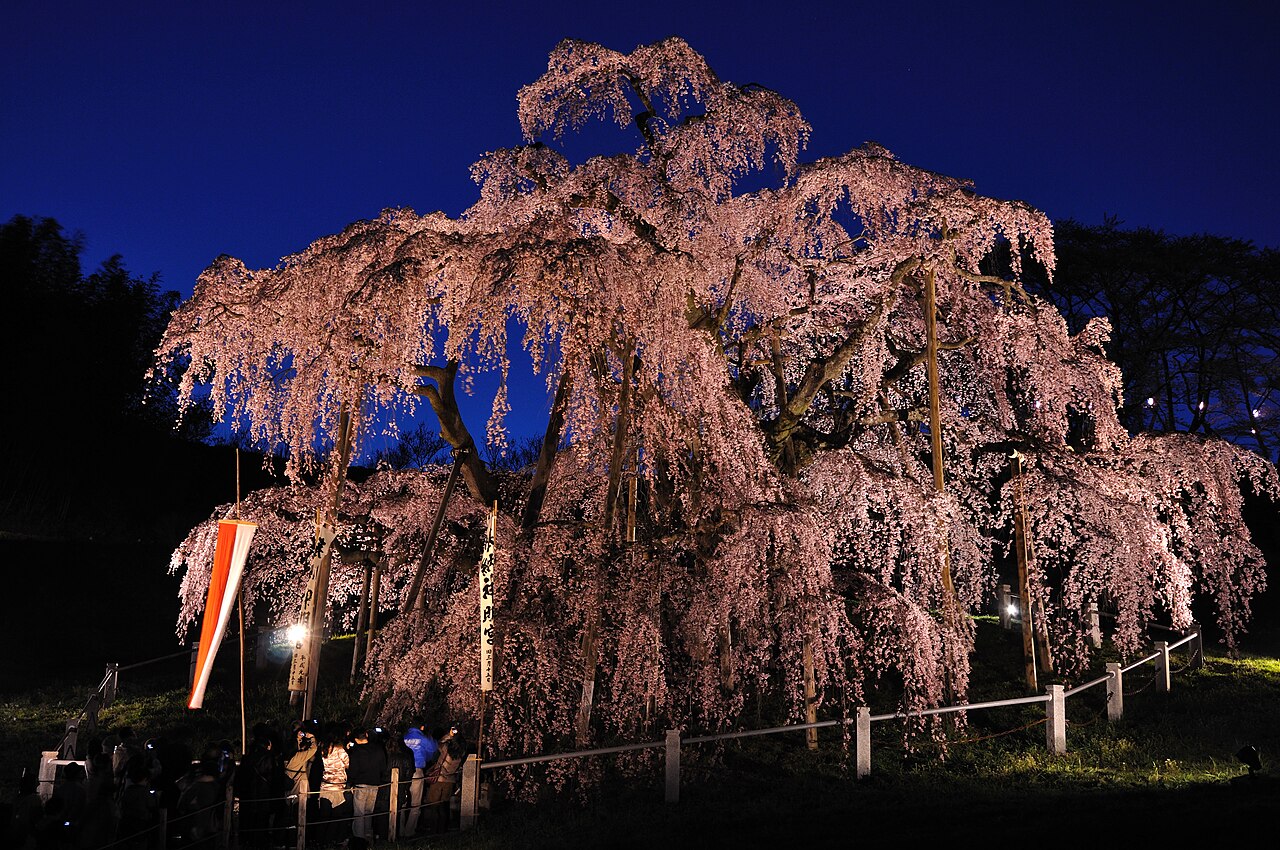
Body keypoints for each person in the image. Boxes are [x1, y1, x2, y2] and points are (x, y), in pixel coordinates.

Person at [346, 728, 388, 845]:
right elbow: (383, 767)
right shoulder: (378, 749)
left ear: (355, 739)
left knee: (359, 813)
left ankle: (359, 840)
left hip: (361, 785)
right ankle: (368, 836)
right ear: (366, 735)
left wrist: (350, 782)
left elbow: (353, 770)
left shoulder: (357, 751)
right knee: (369, 812)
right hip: (374, 784)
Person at [425, 726, 466, 835]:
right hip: (450, 781)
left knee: (434, 806)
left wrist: (449, 735)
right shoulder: (461, 752)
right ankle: (442, 831)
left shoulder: (446, 748)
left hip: (439, 779)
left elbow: (439, 743)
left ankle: (434, 831)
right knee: (443, 807)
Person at [399, 723, 437, 838]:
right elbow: (433, 749)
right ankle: (409, 831)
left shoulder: (404, 737)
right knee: (416, 804)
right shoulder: (423, 738)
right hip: (417, 770)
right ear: (422, 727)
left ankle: (399, 830)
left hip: (403, 772)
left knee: (402, 803)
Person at [315, 727, 351, 845]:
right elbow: (347, 764)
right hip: (338, 786)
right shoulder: (340, 750)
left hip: (325, 785)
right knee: (337, 815)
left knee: (324, 816)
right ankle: (331, 840)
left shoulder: (323, 749)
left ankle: (320, 840)